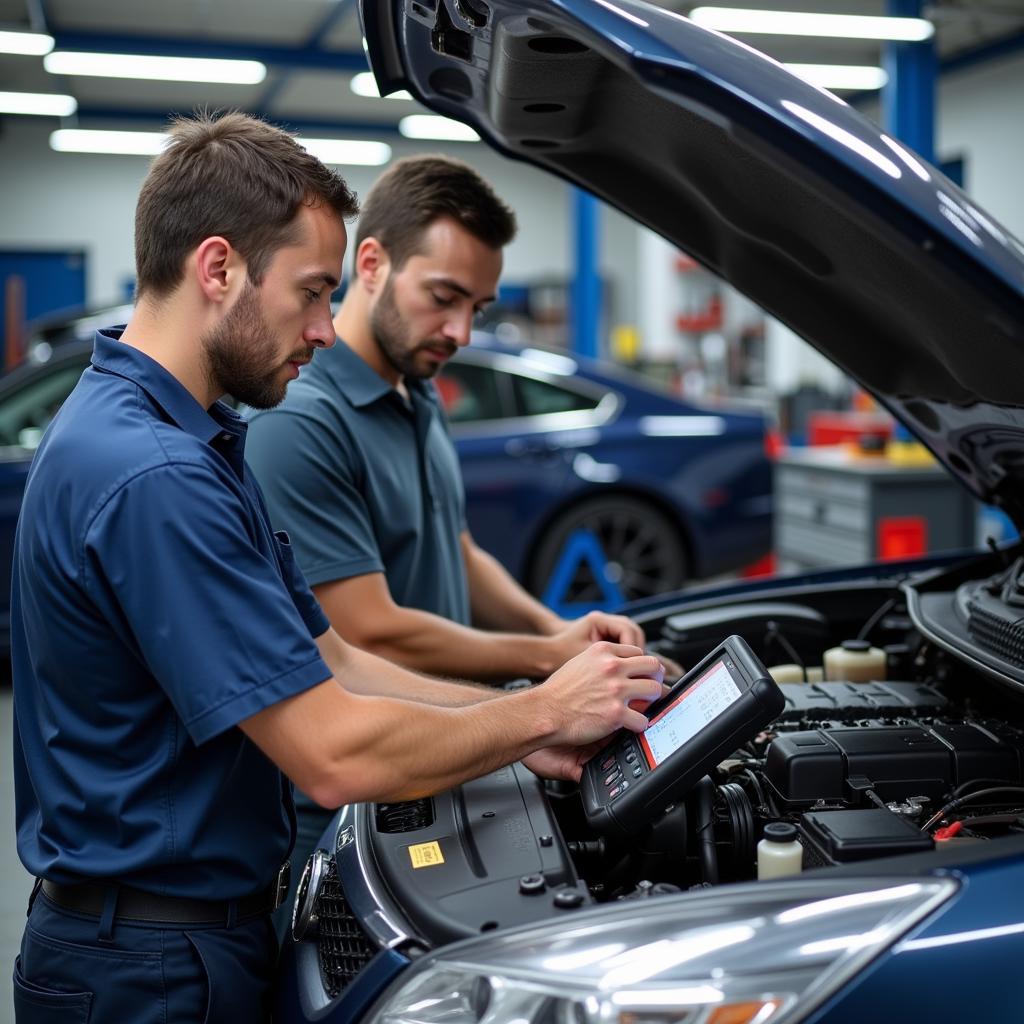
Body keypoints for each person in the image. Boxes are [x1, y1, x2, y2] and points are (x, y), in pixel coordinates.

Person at [10, 114, 664, 1024]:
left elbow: (337, 659)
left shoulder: (186, 438)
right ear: (217, 268)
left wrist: (520, 727)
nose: (324, 329)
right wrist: (543, 704)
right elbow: (328, 753)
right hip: (146, 968)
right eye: (312, 291)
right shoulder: (153, 475)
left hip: (188, 936)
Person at [244, 155, 674, 928]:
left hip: (446, 747)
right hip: (349, 805)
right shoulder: (303, 419)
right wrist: (549, 670)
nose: (460, 331)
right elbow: (367, 627)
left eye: (476, 305)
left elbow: (460, 546)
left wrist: (555, 628)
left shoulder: (417, 395)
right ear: (369, 263)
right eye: (443, 298)